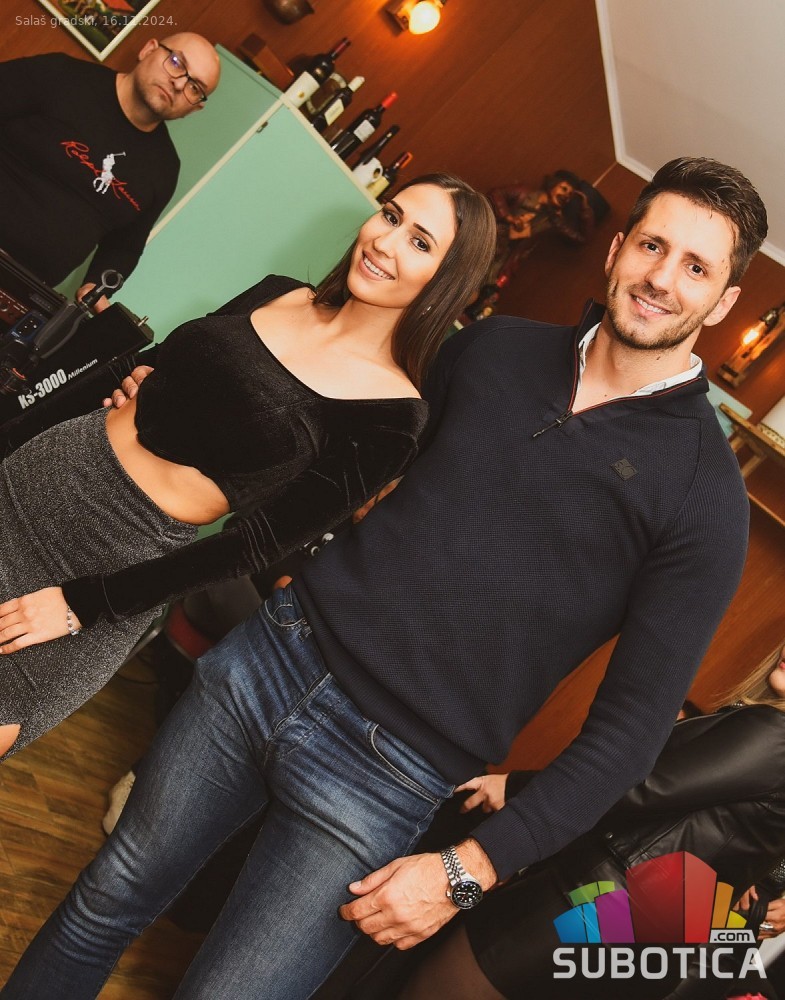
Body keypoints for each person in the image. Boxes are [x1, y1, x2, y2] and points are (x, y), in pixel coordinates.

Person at [0, 157, 766, 1000]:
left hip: (389, 773)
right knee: (102, 902)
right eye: (651, 246)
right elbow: (341, 441)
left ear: (722, 302)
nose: (661, 278)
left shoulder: (705, 503)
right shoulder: (494, 349)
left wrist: (471, 867)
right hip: (268, 662)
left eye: (695, 267)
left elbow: (628, 736)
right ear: (617, 248)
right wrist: (167, 405)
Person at [0, 173, 497, 758]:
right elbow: (153, 364)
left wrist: (84, 605)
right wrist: (133, 383)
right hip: (37, 479)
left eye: (419, 242)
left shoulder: (392, 418)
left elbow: (252, 547)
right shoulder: (280, 294)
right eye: (390, 215)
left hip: (112, 566)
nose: (385, 242)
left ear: (447, 281)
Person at [398, 640, 785, 1000]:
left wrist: (513, 787)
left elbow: (638, 789)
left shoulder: (776, 735)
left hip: (591, 906)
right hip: (648, 946)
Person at [0, 34, 221, 305]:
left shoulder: (165, 169)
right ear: (148, 49)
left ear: (195, 108)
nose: (178, 83)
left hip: (20, 292)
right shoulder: (60, 75)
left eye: (194, 87)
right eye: (176, 63)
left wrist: (97, 288)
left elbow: (125, 246)